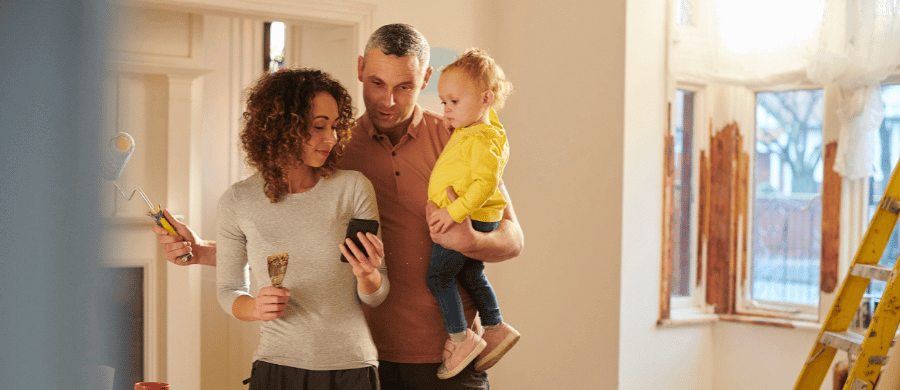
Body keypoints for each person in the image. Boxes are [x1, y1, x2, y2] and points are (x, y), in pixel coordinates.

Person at [154, 24, 524, 390]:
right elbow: (297, 240)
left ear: (425, 78)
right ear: (360, 69)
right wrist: (201, 252)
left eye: (405, 86)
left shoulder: (459, 138)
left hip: (448, 357)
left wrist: (469, 239)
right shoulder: (330, 150)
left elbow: (512, 237)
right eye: (377, 83)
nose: (388, 100)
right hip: (362, 360)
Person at [216, 67, 388, 390]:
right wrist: (255, 307)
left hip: (351, 368)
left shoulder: (352, 189)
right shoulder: (237, 202)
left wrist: (368, 275)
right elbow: (228, 291)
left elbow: (378, 295)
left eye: (336, 126)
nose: (332, 138)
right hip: (276, 369)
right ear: (282, 128)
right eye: (320, 126)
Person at [426, 48, 519, 380]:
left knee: (439, 277)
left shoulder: (483, 138)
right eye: (444, 103)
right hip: (472, 215)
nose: (447, 110)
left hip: (470, 217)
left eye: (454, 102)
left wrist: (454, 212)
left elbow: (485, 183)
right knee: (470, 274)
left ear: (485, 99)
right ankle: (495, 327)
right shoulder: (473, 130)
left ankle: (461, 339)